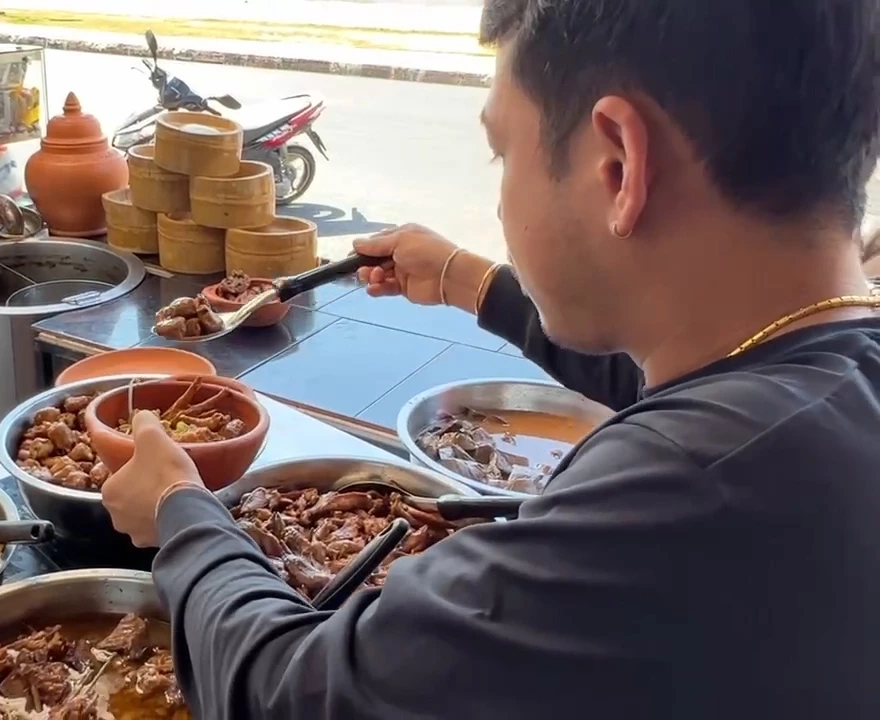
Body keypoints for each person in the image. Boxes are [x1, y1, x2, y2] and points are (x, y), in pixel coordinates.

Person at [101, 0, 880, 717]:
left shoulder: (688, 492)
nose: (502, 198)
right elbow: (694, 382)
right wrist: (469, 282)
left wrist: (180, 511)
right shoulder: (816, 385)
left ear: (619, 164)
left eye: (502, 154)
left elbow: (293, 692)